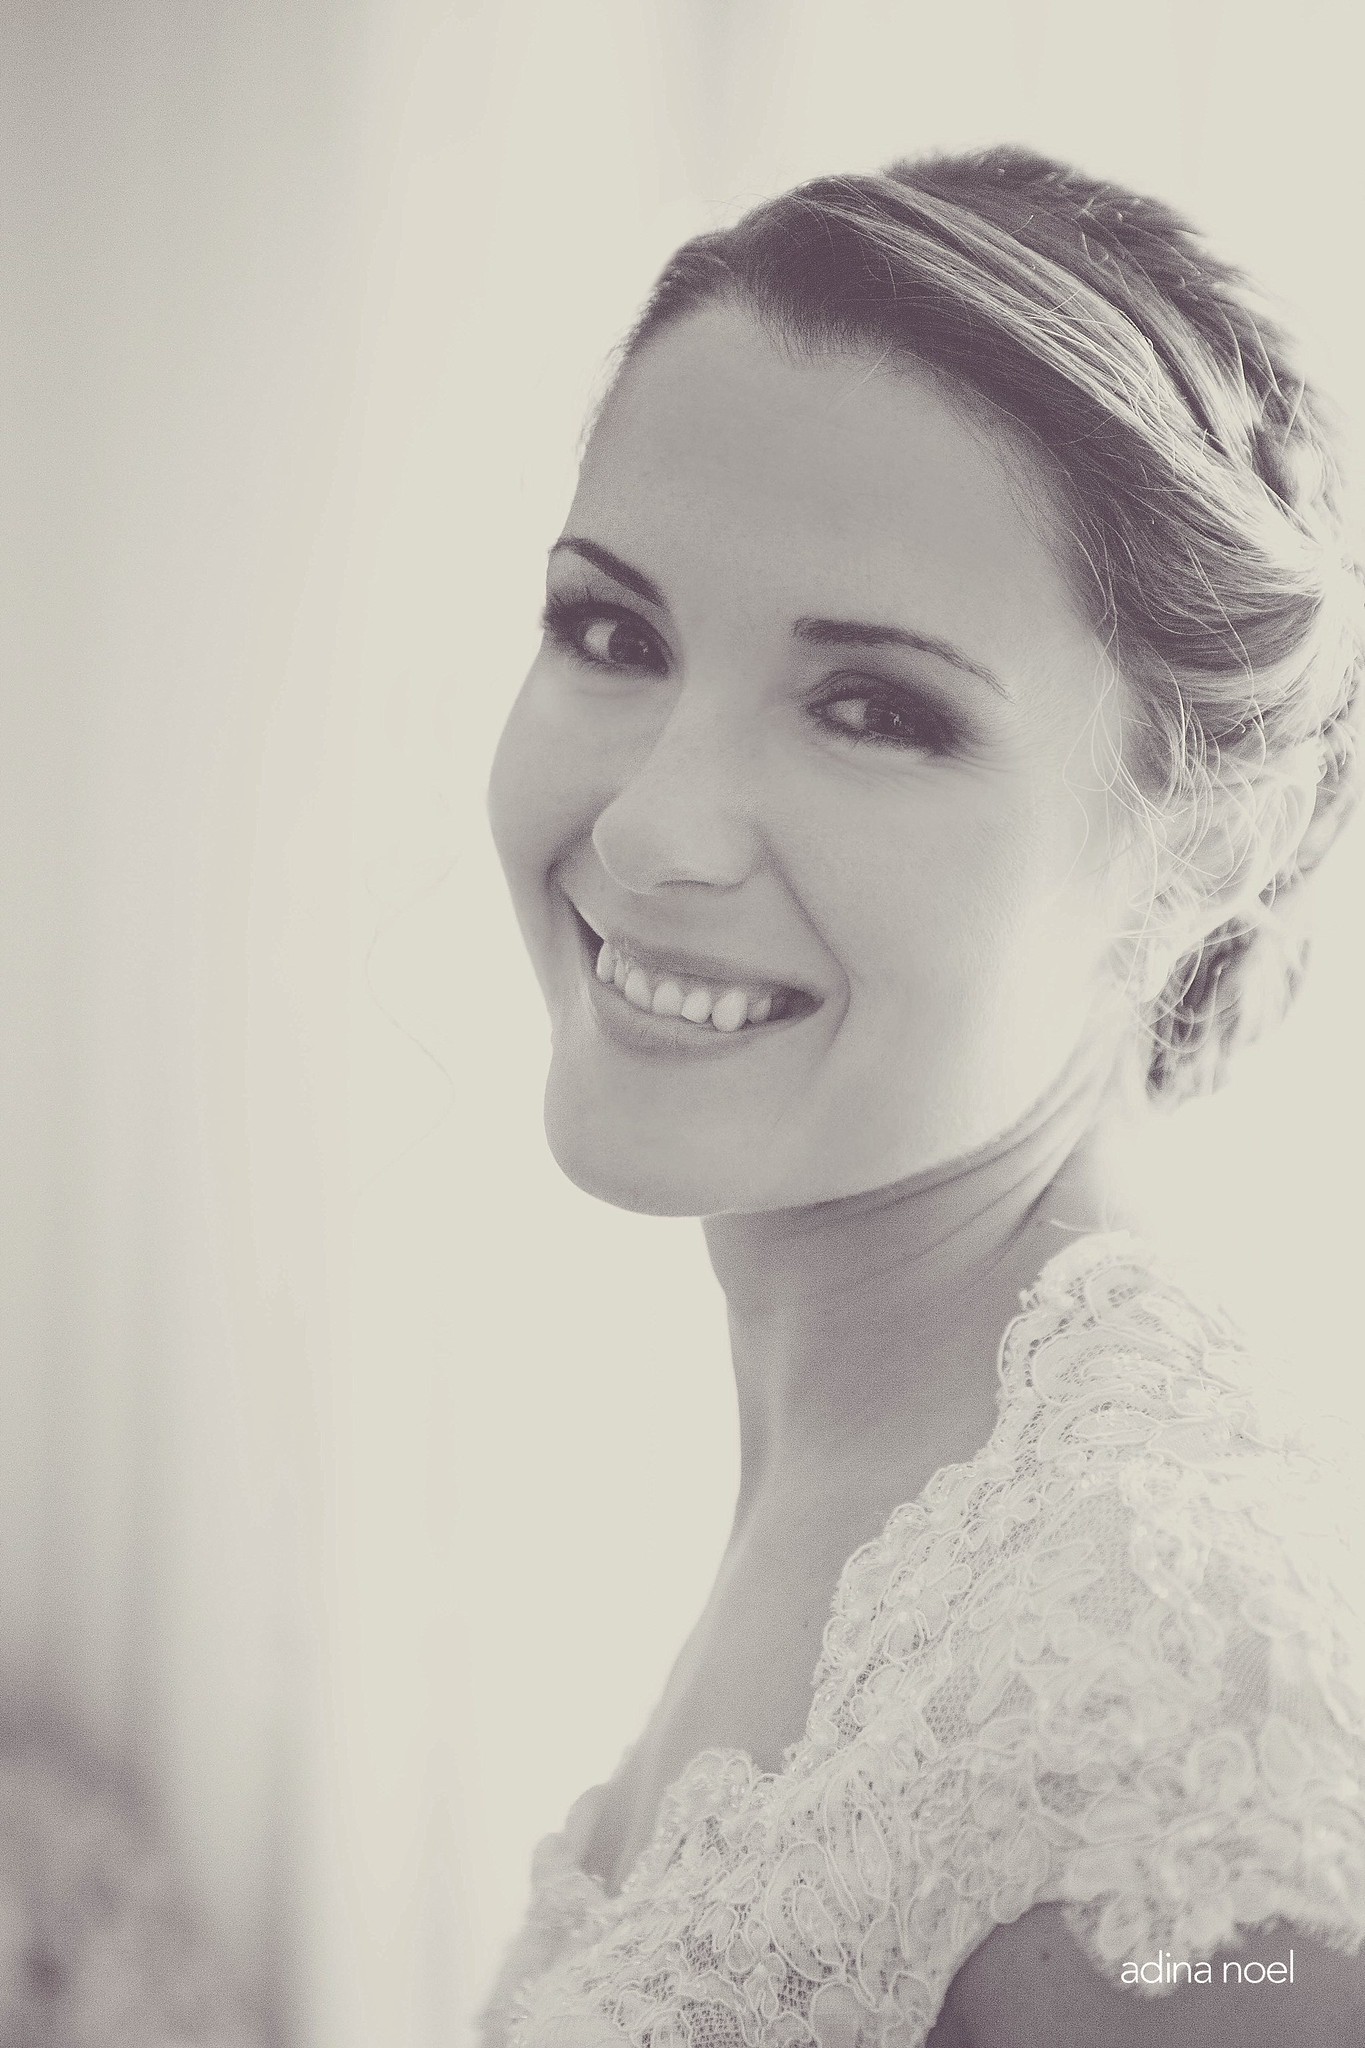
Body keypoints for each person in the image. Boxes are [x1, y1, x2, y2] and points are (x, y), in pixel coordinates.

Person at [478, 146, 1365, 2046]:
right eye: (615, 634)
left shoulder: (1158, 1674)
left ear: (1213, 832)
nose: (648, 832)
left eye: (875, 709)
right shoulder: (902, 1482)